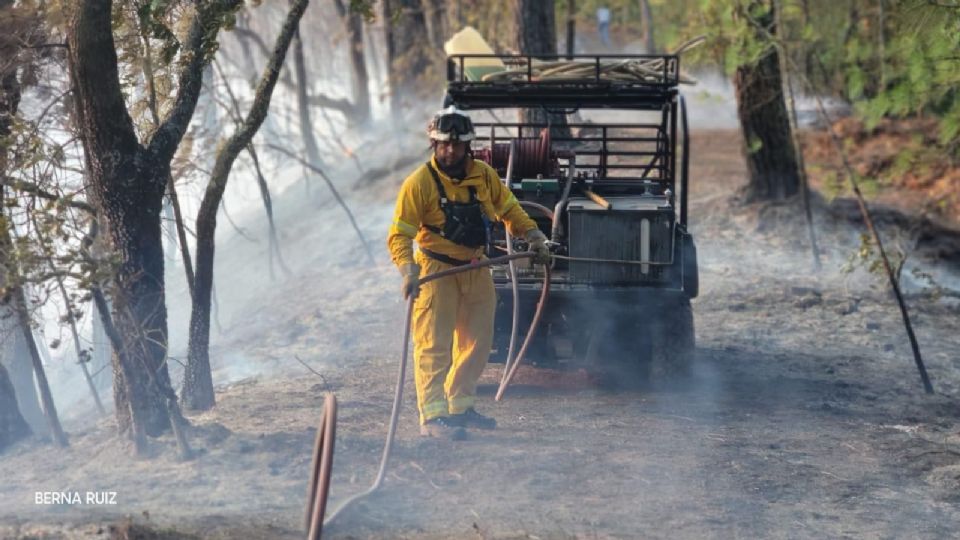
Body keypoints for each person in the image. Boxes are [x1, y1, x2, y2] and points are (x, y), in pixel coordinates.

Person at [387, 106, 550, 439]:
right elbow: (399, 235)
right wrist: (408, 270)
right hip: (437, 271)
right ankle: (432, 417)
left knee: (477, 342)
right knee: (434, 344)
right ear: (433, 144)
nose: (450, 150)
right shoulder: (419, 184)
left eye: (457, 144)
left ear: (468, 146)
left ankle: (460, 407)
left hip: (476, 269)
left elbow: (508, 209)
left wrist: (533, 235)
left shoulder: (484, 175)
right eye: (443, 144)